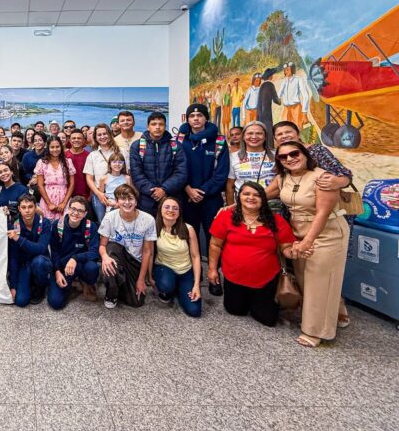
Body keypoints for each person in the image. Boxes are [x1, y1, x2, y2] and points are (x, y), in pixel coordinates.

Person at [273, 142, 350, 347]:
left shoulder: (322, 177)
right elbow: (260, 194)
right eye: (283, 157)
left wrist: (308, 241)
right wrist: (233, 206)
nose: (290, 159)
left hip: (327, 233)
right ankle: (337, 311)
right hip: (298, 233)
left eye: (294, 153)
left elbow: (323, 213)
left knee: (319, 282)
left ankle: (315, 332)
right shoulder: (282, 178)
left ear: (305, 154)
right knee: (305, 280)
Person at [208, 181, 296, 327]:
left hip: (266, 280)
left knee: (267, 319)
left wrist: (294, 252)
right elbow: (215, 245)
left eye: (257, 195)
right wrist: (212, 270)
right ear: (239, 197)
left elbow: (286, 247)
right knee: (235, 310)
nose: (251, 198)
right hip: (234, 277)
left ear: (263, 199)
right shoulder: (226, 217)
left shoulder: (276, 220)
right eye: (246, 194)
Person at [177, 104, 229, 269]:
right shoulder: (179, 140)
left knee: (214, 236)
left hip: (211, 198)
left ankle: (214, 273)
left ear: (206, 118)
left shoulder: (219, 141)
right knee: (189, 236)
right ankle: (193, 272)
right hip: (186, 197)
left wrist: (201, 191)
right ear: (187, 119)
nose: (196, 119)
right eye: (192, 116)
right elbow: (176, 169)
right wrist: (187, 189)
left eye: (199, 115)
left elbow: (221, 173)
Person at [140, 197, 201, 317]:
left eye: (175, 208)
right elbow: (150, 254)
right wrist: (149, 277)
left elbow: (196, 257)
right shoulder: (154, 228)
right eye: (167, 207)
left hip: (185, 271)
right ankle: (169, 289)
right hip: (164, 267)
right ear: (160, 210)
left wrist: (196, 285)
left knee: (194, 311)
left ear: (179, 212)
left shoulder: (188, 229)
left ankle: (179, 288)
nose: (171, 210)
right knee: (166, 286)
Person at [98, 184, 157, 309]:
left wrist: (142, 279)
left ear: (136, 201)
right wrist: (104, 257)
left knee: (136, 302)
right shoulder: (110, 218)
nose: (127, 202)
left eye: (130, 198)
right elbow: (102, 245)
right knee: (112, 249)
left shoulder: (148, 220)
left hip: (135, 262)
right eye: (122, 199)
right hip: (117, 255)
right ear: (117, 202)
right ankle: (111, 294)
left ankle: (120, 285)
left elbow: (147, 252)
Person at [129, 112, 187, 217]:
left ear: (165, 126)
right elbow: (136, 174)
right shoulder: (137, 146)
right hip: (146, 201)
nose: (157, 127)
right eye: (154, 124)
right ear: (148, 127)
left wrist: (164, 189)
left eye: (161, 124)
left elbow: (181, 173)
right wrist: (154, 192)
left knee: (171, 227)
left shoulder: (175, 145)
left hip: (171, 198)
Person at [47, 196, 100, 309]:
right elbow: (54, 252)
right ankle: (71, 286)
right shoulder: (58, 225)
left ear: (85, 213)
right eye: (73, 209)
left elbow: (95, 252)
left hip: (82, 264)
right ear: (68, 209)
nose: (76, 213)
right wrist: (57, 271)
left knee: (92, 268)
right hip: (63, 266)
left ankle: (86, 282)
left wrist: (75, 258)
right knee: (56, 303)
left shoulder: (90, 226)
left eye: (80, 211)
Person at [7, 194, 52, 307]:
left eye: (30, 207)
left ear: (35, 207)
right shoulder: (15, 225)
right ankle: (29, 281)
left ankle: (40, 286)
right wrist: (13, 286)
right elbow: (13, 257)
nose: (27, 211)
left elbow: (41, 248)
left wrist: (19, 239)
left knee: (39, 263)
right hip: (25, 264)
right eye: (23, 207)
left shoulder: (44, 223)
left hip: (40, 261)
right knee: (20, 301)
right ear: (19, 208)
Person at [226, 121, 276, 205]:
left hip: (272, 204)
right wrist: (231, 208)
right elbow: (230, 186)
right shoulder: (233, 157)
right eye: (250, 133)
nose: (254, 137)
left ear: (265, 137)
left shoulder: (277, 155)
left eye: (259, 133)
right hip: (244, 205)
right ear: (243, 136)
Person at [84, 123, 120, 222]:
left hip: (119, 194)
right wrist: (98, 193)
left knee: (119, 221)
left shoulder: (120, 151)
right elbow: (89, 178)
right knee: (103, 222)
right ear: (95, 137)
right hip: (99, 194)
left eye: (105, 133)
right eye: (99, 135)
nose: (102, 137)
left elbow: (127, 173)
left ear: (109, 134)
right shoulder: (92, 155)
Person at [35, 136, 75, 221]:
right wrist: (49, 203)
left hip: (64, 197)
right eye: (52, 147)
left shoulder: (68, 162)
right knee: (47, 224)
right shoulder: (42, 163)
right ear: (48, 148)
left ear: (61, 147)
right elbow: (40, 185)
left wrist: (64, 203)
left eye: (57, 147)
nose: (55, 149)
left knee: (64, 223)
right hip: (47, 198)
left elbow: (72, 184)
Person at [257, 68, 280, 147]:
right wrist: (280, 101)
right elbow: (276, 100)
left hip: (260, 113)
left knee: (262, 130)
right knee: (269, 130)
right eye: (272, 75)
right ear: (270, 76)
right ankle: (270, 147)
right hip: (267, 113)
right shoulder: (270, 85)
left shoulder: (262, 86)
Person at [65, 129, 90, 200]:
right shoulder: (64, 156)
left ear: (83, 140)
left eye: (79, 138)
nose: (76, 140)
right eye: (74, 138)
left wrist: (90, 196)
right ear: (70, 140)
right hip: (66, 194)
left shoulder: (89, 156)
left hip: (85, 195)